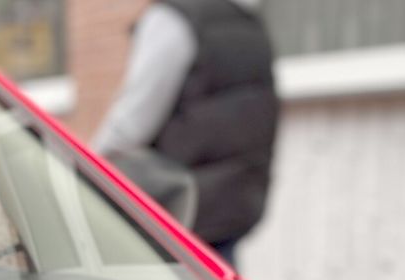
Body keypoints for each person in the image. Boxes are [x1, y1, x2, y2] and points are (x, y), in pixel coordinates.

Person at [92, 0, 279, 266]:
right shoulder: (244, 17)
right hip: (235, 205)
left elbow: (131, 125)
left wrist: (85, 168)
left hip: (184, 212)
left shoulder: (173, 19)